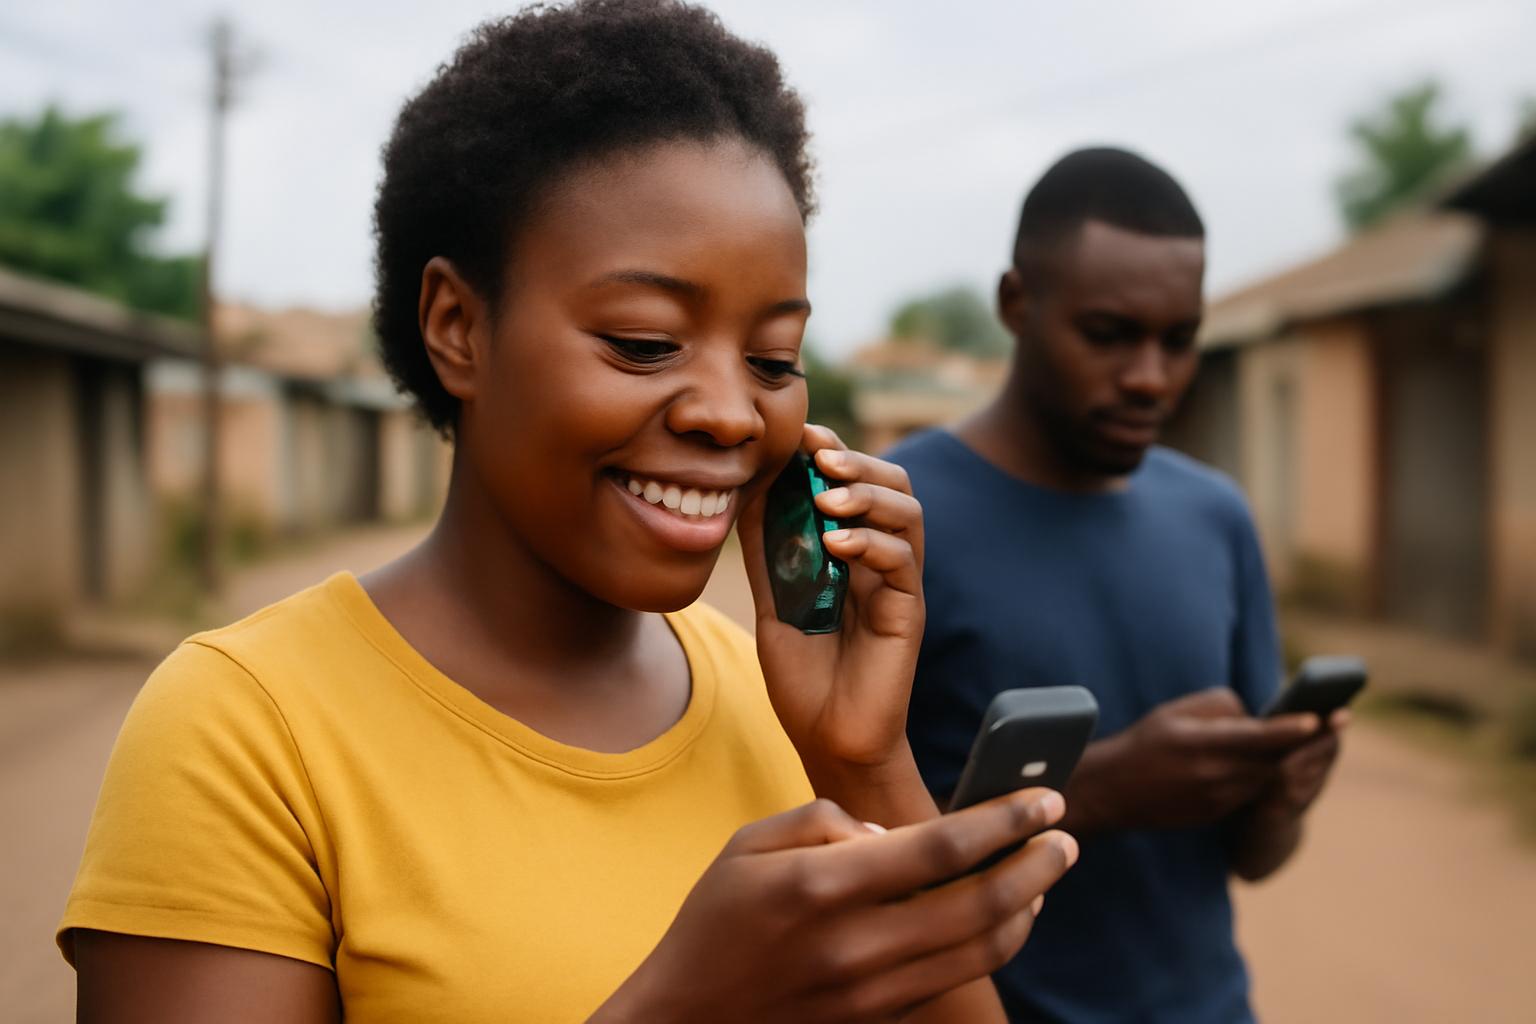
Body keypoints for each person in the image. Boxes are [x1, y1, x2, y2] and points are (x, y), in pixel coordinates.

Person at [57, 4, 1079, 1021]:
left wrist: (862, 761)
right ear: (458, 326)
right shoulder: (247, 727)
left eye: (773, 360)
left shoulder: (769, 703)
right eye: (644, 342)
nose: (731, 412)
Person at [888, 148, 1348, 1023]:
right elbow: (842, 867)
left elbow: (1254, 856)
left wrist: (1283, 794)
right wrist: (1099, 791)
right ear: (1016, 305)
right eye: (1109, 335)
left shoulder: (1215, 517)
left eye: (1179, 341)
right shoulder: (894, 516)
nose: (1150, 377)